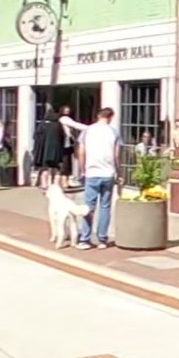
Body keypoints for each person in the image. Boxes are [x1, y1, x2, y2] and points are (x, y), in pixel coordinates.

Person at [69, 104, 121, 250]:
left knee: (89, 207)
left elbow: (81, 152)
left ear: (98, 116)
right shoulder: (113, 132)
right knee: (105, 207)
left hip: (92, 172)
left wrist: (83, 169)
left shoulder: (88, 131)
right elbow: (116, 155)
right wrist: (119, 172)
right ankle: (102, 239)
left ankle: (85, 239)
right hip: (108, 173)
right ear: (110, 118)